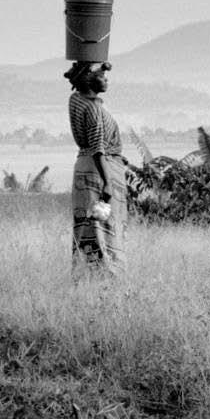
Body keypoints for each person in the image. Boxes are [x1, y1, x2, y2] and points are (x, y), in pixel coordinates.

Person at [64, 60, 127, 277]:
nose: (106, 78)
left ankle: (83, 275)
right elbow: (98, 148)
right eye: (101, 76)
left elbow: (86, 76)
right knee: (102, 230)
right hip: (98, 171)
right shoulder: (93, 109)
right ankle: (105, 277)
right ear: (89, 80)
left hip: (85, 168)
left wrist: (101, 67)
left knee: (87, 228)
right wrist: (108, 182)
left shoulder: (76, 99)